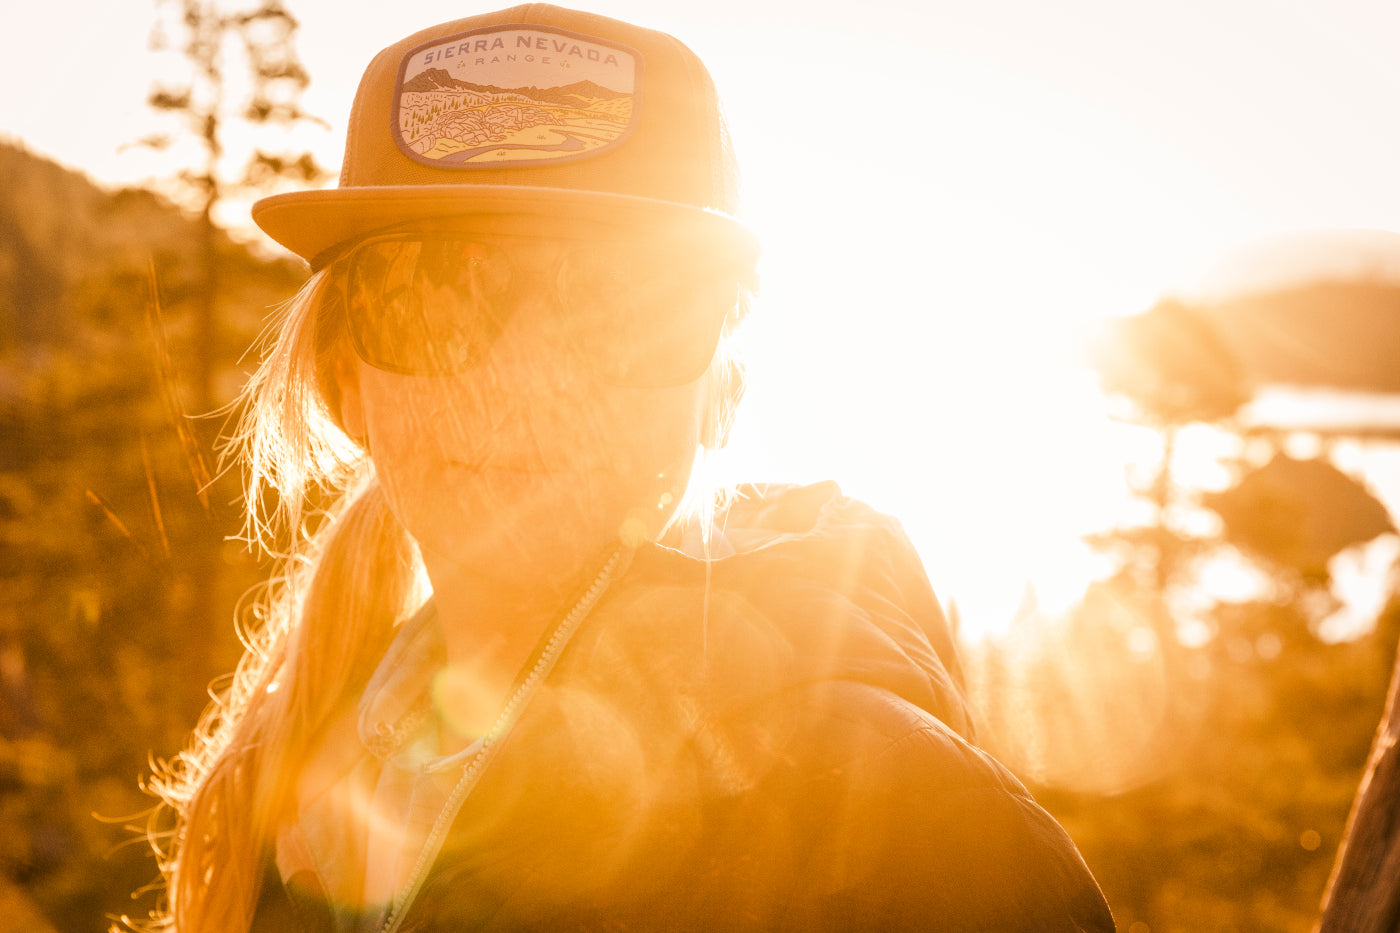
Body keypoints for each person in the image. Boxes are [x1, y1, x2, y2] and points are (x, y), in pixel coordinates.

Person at [134, 5, 1115, 932]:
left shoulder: (917, 836)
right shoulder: (286, 785)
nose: (521, 377)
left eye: (612, 308)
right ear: (349, 382)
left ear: (719, 387)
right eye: (435, 299)